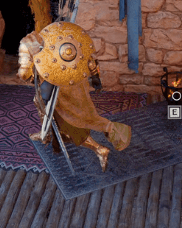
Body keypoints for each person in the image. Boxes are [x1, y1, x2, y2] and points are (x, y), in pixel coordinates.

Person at [18, 22, 131, 171]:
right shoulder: (62, 33)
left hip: (56, 91)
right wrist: (95, 78)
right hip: (76, 83)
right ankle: (46, 134)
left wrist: (35, 73)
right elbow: (89, 60)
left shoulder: (27, 44)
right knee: (78, 115)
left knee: (69, 124)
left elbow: (24, 74)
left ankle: (99, 149)